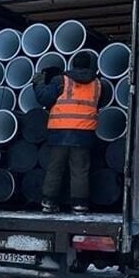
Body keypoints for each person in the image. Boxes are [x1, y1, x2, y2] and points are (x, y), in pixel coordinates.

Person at [33, 51, 102, 214]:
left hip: (60, 132)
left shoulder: (61, 80)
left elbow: (44, 98)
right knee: (80, 171)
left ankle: (49, 203)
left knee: (55, 169)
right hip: (84, 134)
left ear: (73, 64)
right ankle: (79, 204)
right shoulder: (97, 84)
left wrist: (38, 83)